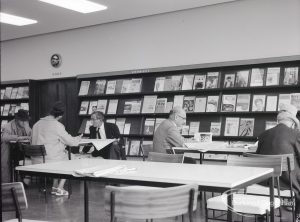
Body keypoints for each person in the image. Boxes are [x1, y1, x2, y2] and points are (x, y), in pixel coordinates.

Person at [256, 104, 300, 218]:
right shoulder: (296, 134)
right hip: (287, 183)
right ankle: (298, 214)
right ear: (293, 122)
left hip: (264, 182)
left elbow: (257, 159)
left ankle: (264, 211)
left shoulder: (263, 135)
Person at [31, 101, 82, 196]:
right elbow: (71, 142)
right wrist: (77, 139)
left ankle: (55, 186)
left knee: (60, 156)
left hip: (35, 160)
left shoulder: (36, 124)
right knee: (72, 158)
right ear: (60, 116)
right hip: (48, 160)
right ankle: (60, 187)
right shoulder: (57, 125)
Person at [1, 109, 32, 182]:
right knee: (4, 160)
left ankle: (24, 181)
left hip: (22, 149)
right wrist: (19, 137)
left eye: (25, 120)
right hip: (10, 148)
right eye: (22, 120)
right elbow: (4, 138)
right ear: (17, 119)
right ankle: (6, 182)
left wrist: (29, 134)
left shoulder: (26, 124)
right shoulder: (8, 125)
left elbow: (31, 134)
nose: (24, 123)